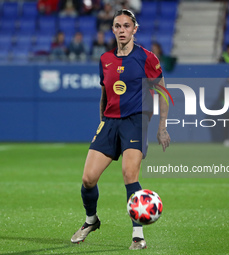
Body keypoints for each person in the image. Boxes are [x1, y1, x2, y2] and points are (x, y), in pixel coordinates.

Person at [70, 9, 170, 250]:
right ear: (113, 30)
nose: (122, 30)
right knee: (88, 179)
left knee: (129, 175)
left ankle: (138, 235)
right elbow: (104, 93)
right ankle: (91, 220)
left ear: (135, 29)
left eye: (127, 26)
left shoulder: (147, 58)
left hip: (136, 121)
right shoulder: (105, 59)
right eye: (117, 26)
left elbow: (163, 93)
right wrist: (102, 121)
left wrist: (162, 127)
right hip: (109, 122)